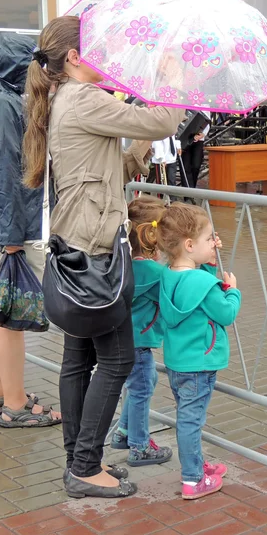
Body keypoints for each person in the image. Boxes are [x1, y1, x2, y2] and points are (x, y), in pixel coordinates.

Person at [22, 15, 184, 499]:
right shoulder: (84, 98)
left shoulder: (64, 99)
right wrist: (169, 81)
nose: (108, 57)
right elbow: (161, 119)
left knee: (79, 357)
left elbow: (119, 164)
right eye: (97, 48)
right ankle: (85, 466)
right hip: (94, 252)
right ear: (74, 57)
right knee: (114, 361)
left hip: (75, 245)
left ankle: (78, 459)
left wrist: (136, 135)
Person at [0, 33, 61, 428]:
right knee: (9, 316)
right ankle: (15, 404)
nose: (40, 72)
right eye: (36, 64)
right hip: (0, 226)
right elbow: (4, 171)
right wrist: (13, 237)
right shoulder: (1, 104)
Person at [158, 202, 241, 499]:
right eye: (209, 240)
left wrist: (208, 259)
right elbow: (226, 314)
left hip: (178, 361)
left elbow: (192, 281)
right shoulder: (205, 283)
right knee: (192, 420)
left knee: (187, 415)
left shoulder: (168, 274)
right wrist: (232, 290)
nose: (213, 244)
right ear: (190, 244)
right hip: (201, 363)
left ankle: (197, 465)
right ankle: (193, 479)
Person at [109, 197, 174, 466]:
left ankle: (124, 431)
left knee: (142, 385)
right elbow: (173, 300)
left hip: (120, 338)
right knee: (141, 388)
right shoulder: (154, 272)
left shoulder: (123, 264)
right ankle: (139, 446)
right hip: (138, 342)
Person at [181, 119, 209, 188]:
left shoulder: (205, 107)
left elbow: (208, 122)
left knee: (196, 165)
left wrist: (203, 134)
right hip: (186, 138)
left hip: (199, 140)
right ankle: (187, 194)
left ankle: (192, 188)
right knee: (185, 166)